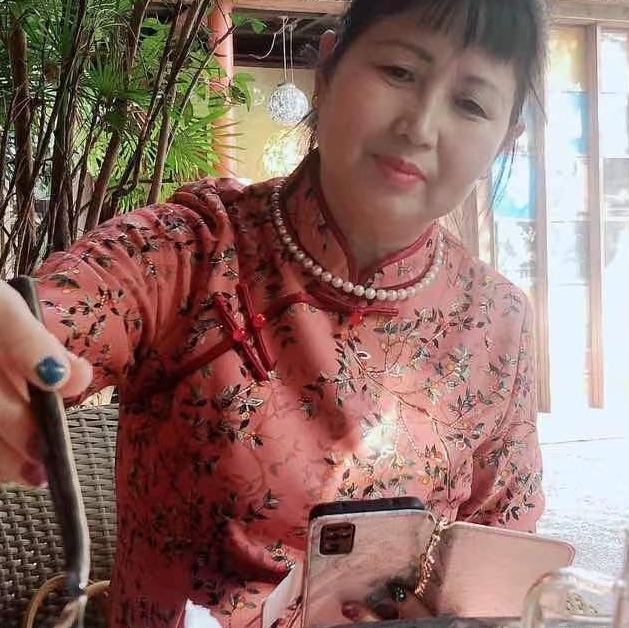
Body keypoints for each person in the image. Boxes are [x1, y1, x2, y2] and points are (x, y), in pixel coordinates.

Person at [0, 0, 548, 626]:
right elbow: (49, 319)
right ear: (328, 70)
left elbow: (504, 547)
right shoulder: (190, 252)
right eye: (399, 71)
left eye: (471, 103)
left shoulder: (498, 320)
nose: (420, 127)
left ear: (505, 140)